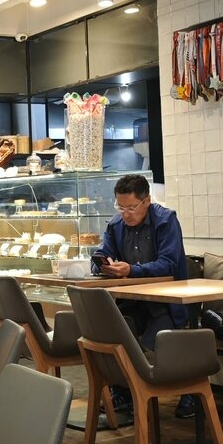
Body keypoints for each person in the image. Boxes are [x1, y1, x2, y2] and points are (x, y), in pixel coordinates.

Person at [92, 173, 195, 417]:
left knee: (161, 338)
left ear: (147, 201)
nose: (126, 214)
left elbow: (169, 263)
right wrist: (102, 265)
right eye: (120, 207)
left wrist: (132, 270)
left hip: (167, 301)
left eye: (131, 208)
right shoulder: (115, 225)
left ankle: (190, 390)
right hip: (133, 301)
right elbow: (101, 255)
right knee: (114, 330)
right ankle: (124, 392)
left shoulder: (165, 221)